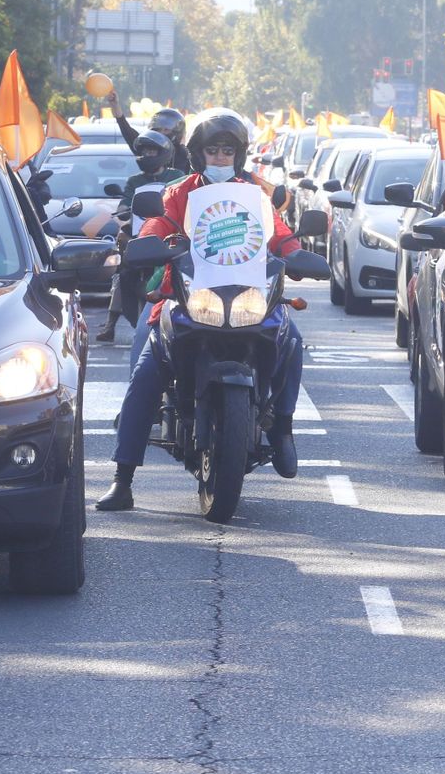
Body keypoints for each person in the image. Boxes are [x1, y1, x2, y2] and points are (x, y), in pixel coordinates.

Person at [96, 110, 304, 511]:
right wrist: (149, 243)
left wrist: (296, 253)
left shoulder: (256, 195)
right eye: (213, 151)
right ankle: (123, 478)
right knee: (147, 369)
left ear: (239, 155)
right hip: (186, 298)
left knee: (292, 340)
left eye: (228, 151)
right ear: (197, 154)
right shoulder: (178, 193)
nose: (221, 158)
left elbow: (279, 233)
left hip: (249, 298)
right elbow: (156, 225)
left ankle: (282, 429)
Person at [94, 130, 184, 343]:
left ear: (163, 153)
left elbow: (185, 200)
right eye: (144, 151)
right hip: (140, 233)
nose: (148, 155)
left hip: (171, 232)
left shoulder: (177, 176)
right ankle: (111, 323)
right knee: (123, 271)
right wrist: (124, 212)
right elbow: (125, 203)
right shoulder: (135, 180)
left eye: (152, 150)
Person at [107, 92, 189, 173]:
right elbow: (128, 132)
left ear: (177, 132)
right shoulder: (146, 148)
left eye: (166, 130)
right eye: (157, 129)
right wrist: (115, 106)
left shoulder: (185, 155)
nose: (161, 133)